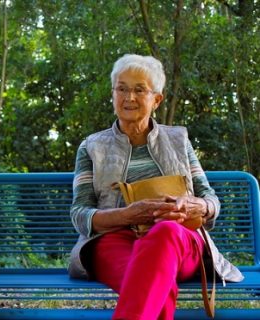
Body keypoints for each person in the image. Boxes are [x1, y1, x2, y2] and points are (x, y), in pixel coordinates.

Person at [68, 54, 243, 319]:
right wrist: (128, 215)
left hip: (179, 238)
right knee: (154, 283)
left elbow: (211, 200)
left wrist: (197, 205)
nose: (129, 98)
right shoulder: (92, 146)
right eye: (122, 88)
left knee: (164, 233)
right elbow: (80, 214)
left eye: (140, 90)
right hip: (114, 240)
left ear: (157, 99)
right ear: (113, 94)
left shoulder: (178, 139)